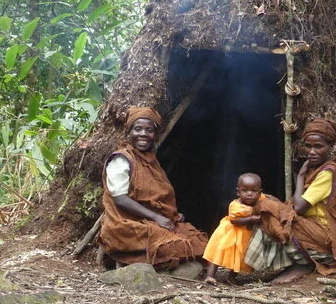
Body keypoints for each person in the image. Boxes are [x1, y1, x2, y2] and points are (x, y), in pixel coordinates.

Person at [98, 106, 208, 269]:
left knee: (201, 242)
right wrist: (156, 218)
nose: (143, 134)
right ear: (129, 133)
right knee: (175, 246)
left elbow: (155, 196)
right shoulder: (121, 160)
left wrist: (170, 215)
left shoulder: (150, 161)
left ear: (155, 135)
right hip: (126, 225)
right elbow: (120, 199)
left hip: (151, 222)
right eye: (138, 129)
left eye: (149, 130)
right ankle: (135, 260)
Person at [244, 118, 336, 284]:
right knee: (268, 203)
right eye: (308, 146)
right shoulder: (317, 170)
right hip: (310, 228)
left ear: (331, 148)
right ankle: (284, 264)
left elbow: (299, 208)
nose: (312, 152)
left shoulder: (328, 173)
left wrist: (300, 176)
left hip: (322, 238)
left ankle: (303, 264)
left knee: (267, 207)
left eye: (318, 146)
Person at [203, 173, 265, 285]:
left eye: (254, 191)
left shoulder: (261, 200)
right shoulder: (235, 206)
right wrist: (251, 218)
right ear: (238, 192)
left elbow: (267, 201)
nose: (249, 194)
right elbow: (235, 221)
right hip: (229, 233)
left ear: (260, 192)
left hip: (245, 236)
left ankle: (232, 277)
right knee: (218, 253)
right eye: (245, 191)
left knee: (241, 258)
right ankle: (210, 276)